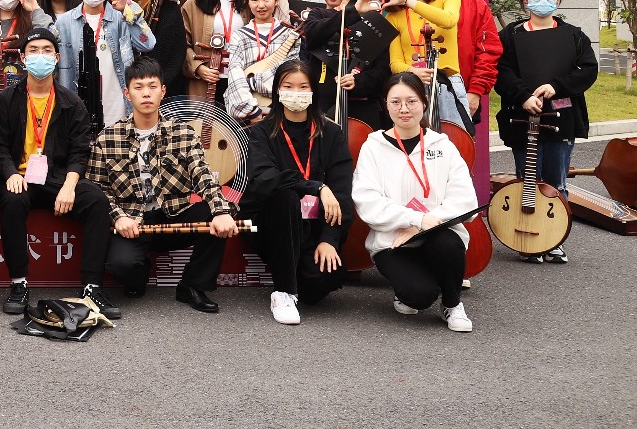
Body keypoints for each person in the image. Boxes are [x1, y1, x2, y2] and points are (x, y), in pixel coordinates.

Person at [87, 57, 239, 314]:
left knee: (216, 214)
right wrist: (118, 216)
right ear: (127, 93)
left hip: (174, 216)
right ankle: (139, 272)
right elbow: (97, 187)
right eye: (138, 87)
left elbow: (203, 176)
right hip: (132, 223)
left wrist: (221, 211)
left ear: (163, 91)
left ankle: (192, 286)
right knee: (122, 266)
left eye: (152, 86)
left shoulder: (183, 133)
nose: (146, 93)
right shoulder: (108, 137)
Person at [0, 26, 114, 317]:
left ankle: (92, 287)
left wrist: (69, 186)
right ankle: (19, 284)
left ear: (56, 58)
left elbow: (80, 151)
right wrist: (10, 174)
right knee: (12, 199)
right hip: (19, 178)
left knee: (96, 200)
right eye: (33, 51)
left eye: (46, 51)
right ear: (22, 58)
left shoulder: (71, 102)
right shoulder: (7, 100)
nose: (40, 56)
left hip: (57, 178)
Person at [352, 73, 478, 332]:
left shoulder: (443, 145)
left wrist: (425, 225)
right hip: (393, 241)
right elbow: (368, 201)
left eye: (411, 101)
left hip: (438, 233)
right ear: (386, 105)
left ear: (424, 103)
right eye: (395, 102)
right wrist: (416, 219)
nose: (404, 109)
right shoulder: (373, 147)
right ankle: (411, 286)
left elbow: (465, 198)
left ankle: (452, 304)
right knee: (418, 296)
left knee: (447, 244)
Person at [494, 0, 598, 264]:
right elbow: (501, 71)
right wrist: (523, 96)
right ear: (525, 0)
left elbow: (587, 69)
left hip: (561, 118)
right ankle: (527, 238)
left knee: (556, 182)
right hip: (522, 118)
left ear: (558, 0)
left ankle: (553, 239)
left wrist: (557, 86)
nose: (543, 0)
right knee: (528, 180)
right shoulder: (510, 36)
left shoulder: (574, 36)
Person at [240, 60, 353, 324]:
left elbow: (342, 192)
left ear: (314, 91)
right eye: (288, 86)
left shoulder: (331, 133)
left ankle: (296, 276)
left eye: (303, 87)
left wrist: (329, 239)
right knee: (285, 195)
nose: (296, 93)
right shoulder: (261, 132)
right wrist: (316, 186)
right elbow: (265, 179)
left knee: (320, 283)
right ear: (277, 91)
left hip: (314, 227)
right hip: (270, 225)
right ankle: (283, 292)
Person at [52, 0, 156, 128]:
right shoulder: (64, 22)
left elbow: (148, 44)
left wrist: (127, 10)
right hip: (77, 109)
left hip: (117, 106)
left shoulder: (121, 18)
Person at [300, 0, 394, 129]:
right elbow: (312, 35)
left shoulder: (377, 23)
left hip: (363, 108)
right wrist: (354, 12)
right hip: (323, 105)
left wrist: (358, 81)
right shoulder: (319, 14)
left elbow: (382, 72)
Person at [381, 0, 466, 130]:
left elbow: (448, 20)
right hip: (412, 87)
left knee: (456, 141)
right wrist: (413, 71)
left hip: (448, 83)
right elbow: (395, 63)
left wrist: (408, 1)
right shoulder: (393, 16)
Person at [428, 0, 500, 124]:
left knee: (461, 143)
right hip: (418, 96)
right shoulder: (416, 2)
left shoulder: (477, 6)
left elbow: (489, 52)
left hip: (464, 93)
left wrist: (475, 91)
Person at [224, 0, 301, 124]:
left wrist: (252, 82)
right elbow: (235, 73)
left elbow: (288, 74)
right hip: (250, 113)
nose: (261, 5)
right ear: (247, 2)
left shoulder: (289, 35)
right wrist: (252, 110)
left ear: (276, 0)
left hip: (282, 108)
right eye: (254, 0)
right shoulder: (239, 36)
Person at [182, 0, 245, 104]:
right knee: (207, 120)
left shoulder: (250, 1)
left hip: (243, 80)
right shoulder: (194, 3)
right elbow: (181, 44)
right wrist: (198, 67)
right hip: (207, 80)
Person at [122, 0, 187, 98]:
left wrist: (155, 87)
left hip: (158, 89)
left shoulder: (168, 2)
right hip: (121, 86)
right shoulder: (119, 0)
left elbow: (177, 54)